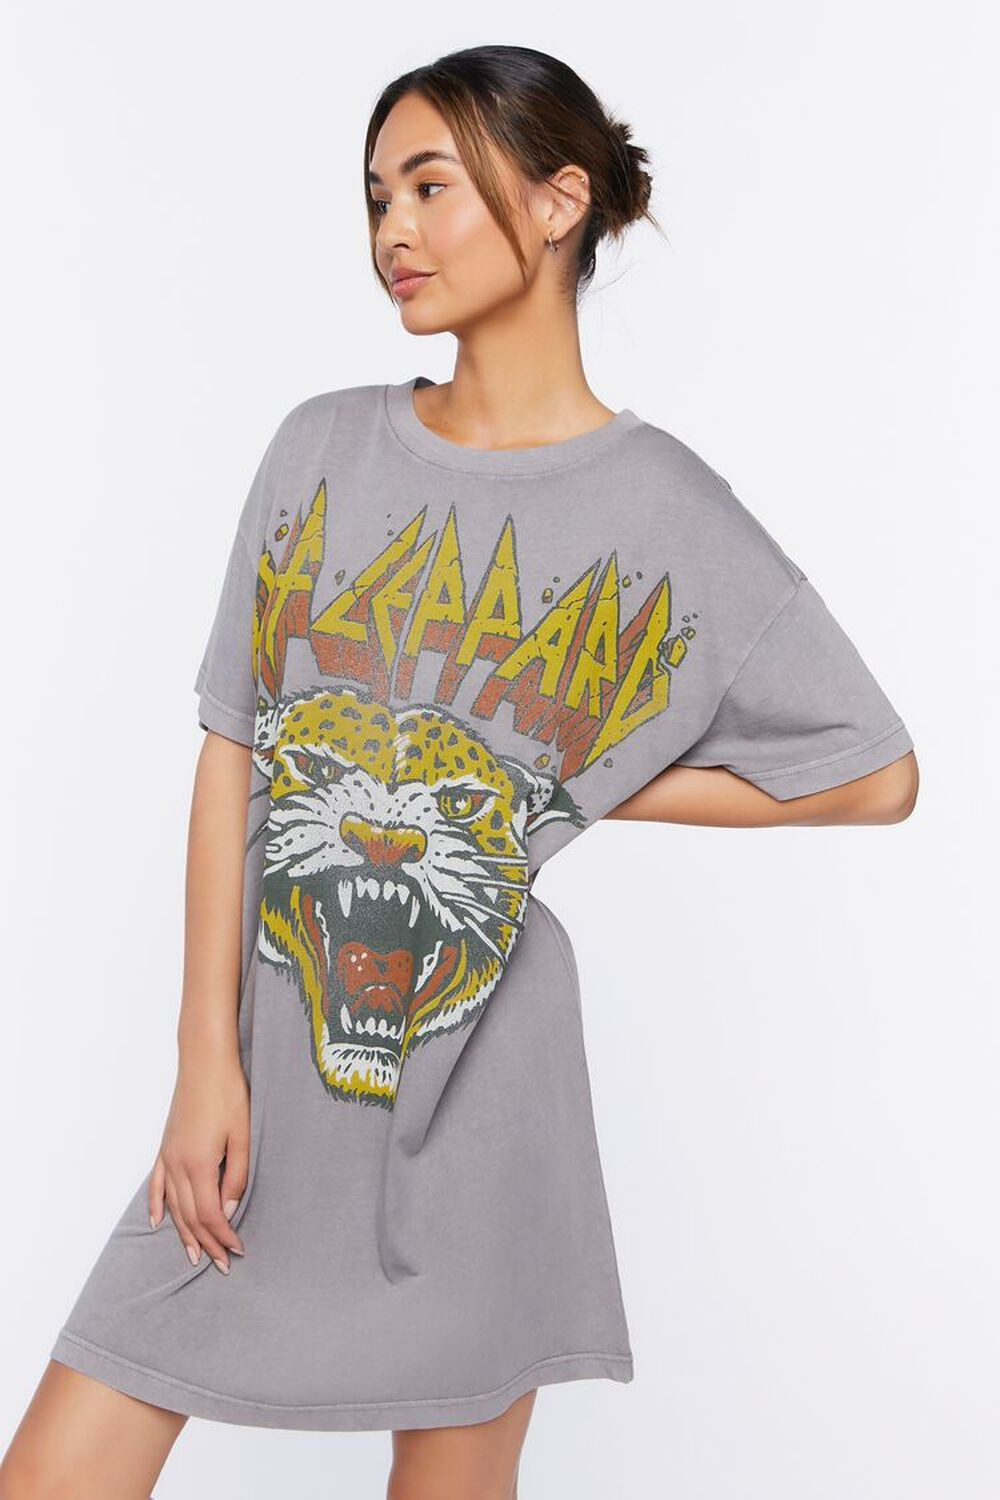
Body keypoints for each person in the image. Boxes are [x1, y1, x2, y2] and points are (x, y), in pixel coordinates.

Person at [0, 43, 919, 1500]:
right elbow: (233, 749)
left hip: (490, 1089)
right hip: (271, 1068)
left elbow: (874, 775)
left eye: (431, 187)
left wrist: (562, 781)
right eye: (378, 197)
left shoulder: (662, 506)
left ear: (558, 202)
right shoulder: (320, 448)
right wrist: (202, 1062)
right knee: (55, 1473)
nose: (394, 232)